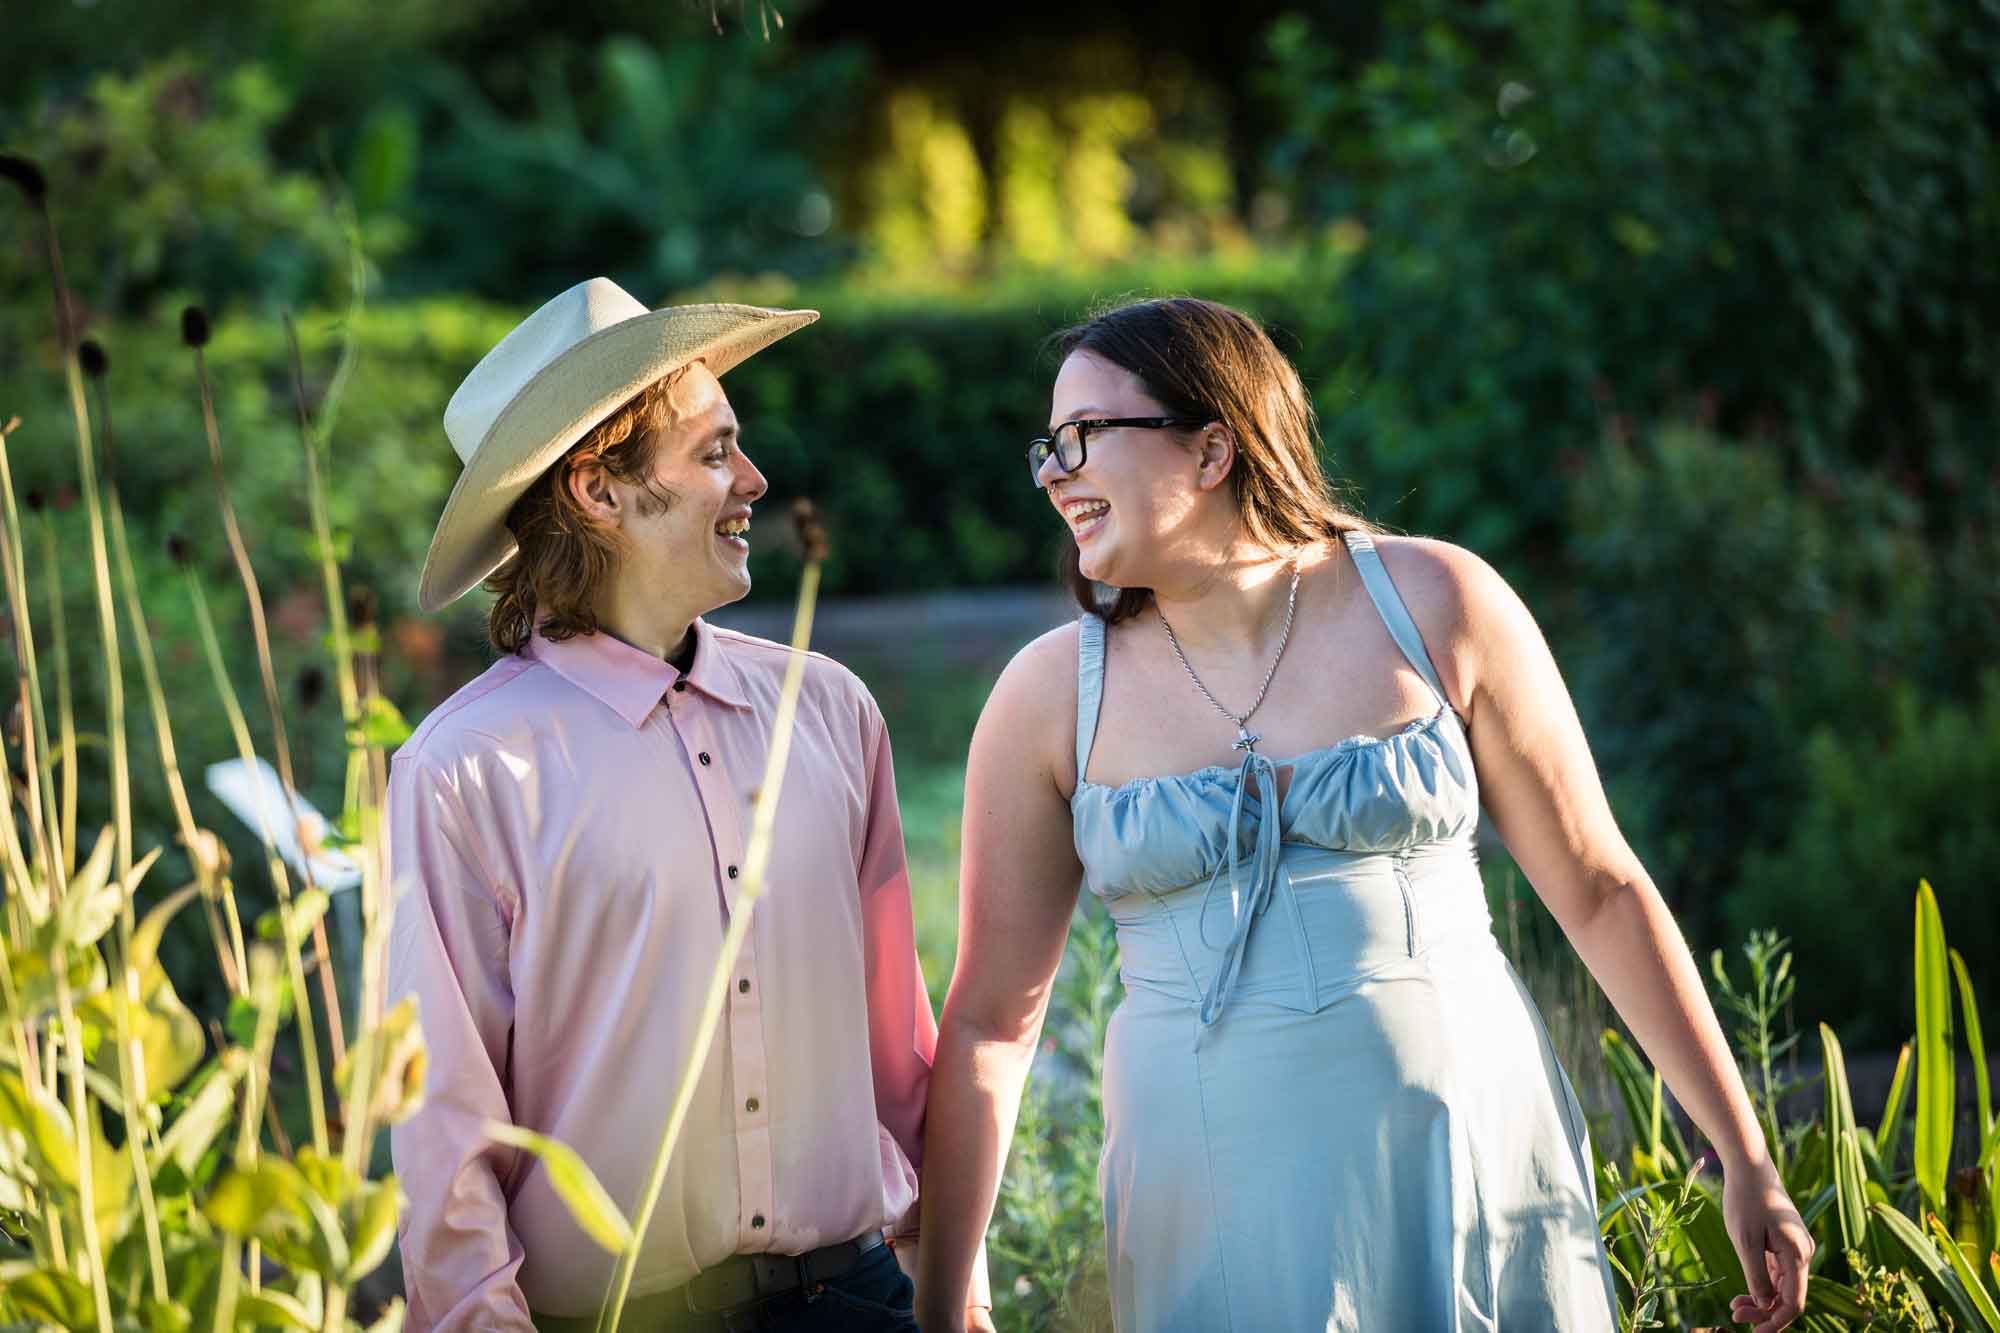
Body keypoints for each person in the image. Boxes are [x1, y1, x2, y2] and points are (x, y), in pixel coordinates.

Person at [915, 297, 1813, 1333]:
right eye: (1045, 447)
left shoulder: (1436, 603)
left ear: (1211, 448)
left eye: (1081, 438)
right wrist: (944, 1303)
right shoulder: (1045, 698)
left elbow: (1599, 888)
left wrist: (1742, 1155)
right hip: (1204, 1201)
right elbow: (988, 1024)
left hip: (1464, 1155)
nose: (1052, 472)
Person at [388, 277, 988, 1330]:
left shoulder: (831, 712)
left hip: (858, 1302)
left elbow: (900, 1058)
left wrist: (951, 1290)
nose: (753, 479)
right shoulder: (464, 769)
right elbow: (443, 1131)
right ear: (598, 490)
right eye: (713, 453)